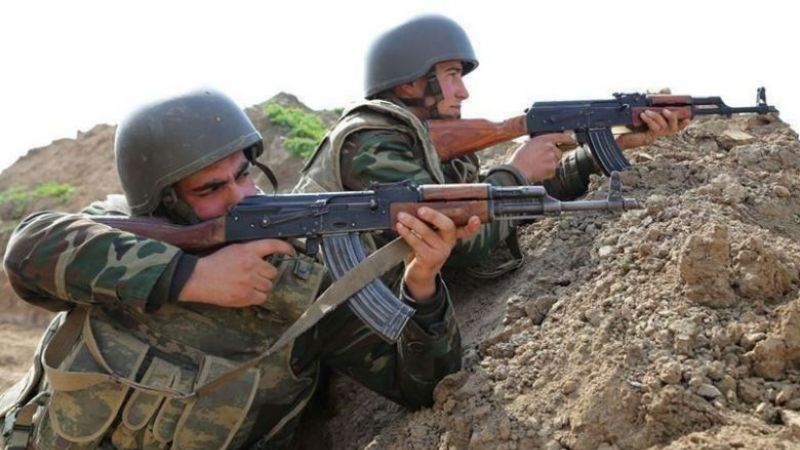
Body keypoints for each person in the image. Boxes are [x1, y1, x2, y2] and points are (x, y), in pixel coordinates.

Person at [0, 89, 479, 449]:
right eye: (210, 189)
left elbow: (424, 385)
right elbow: (29, 247)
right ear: (162, 202)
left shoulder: (303, 282)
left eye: (243, 174)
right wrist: (193, 277)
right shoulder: (116, 233)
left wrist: (421, 282)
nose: (240, 196)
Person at [294, 14, 689, 278]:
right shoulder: (371, 144)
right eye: (452, 75)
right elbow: (461, 241)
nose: (463, 91)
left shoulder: (423, 141)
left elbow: (508, 204)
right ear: (410, 83)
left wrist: (616, 144)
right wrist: (517, 171)